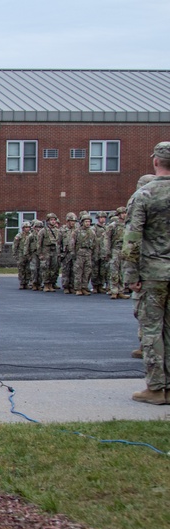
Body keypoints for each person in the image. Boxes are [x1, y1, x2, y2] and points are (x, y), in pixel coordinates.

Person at [122, 142, 170, 404]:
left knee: (152, 330)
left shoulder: (144, 195)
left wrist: (130, 276)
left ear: (155, 162)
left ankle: (155, 388)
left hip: (153, 272)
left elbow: (131, 239)